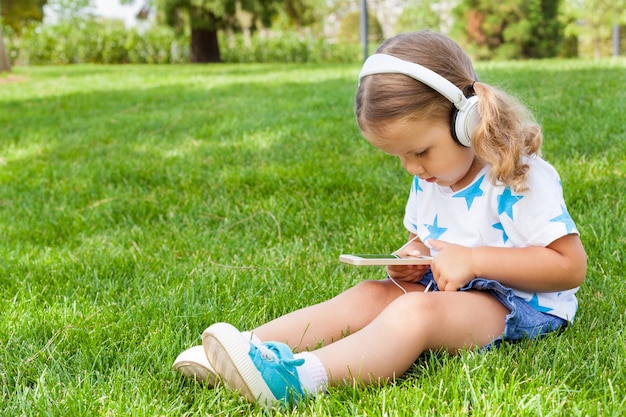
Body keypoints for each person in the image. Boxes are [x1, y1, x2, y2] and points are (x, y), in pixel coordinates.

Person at [172, 31, 587, 406]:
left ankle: (299, 379)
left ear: (467, 122)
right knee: (371, 293)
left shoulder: (516, 175)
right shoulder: (433, 176)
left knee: (414, 315)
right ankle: (247, 350)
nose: (411, 167)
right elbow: (425, 240)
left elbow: (569, 268)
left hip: (518, 305)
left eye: (420, 151)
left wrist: (474, 262)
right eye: (399, 157)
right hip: (453, 291)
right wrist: (412, 257)